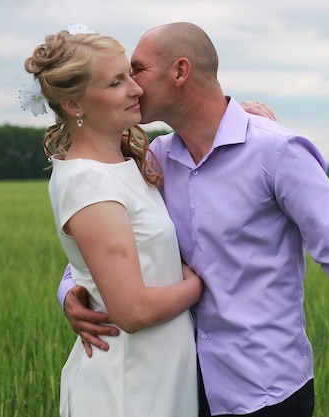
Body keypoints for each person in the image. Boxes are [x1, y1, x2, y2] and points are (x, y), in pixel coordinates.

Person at [58, 22, 329, 417]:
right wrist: (71, 292)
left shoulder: (278, 152)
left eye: (137, 70)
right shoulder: (156, 160)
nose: (133, 86)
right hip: (179, 389)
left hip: (266, 391)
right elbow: (112, 245)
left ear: (180, 72)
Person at [23, 26, 273, 417]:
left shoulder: (132, 164)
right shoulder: (88, 180)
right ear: (74, 104)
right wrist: (199, 283)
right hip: (127, 386)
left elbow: (108, 261)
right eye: (116, 81)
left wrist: (243, 118)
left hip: (157, 375)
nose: (136, 89)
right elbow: (132, 311)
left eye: (131, 74)